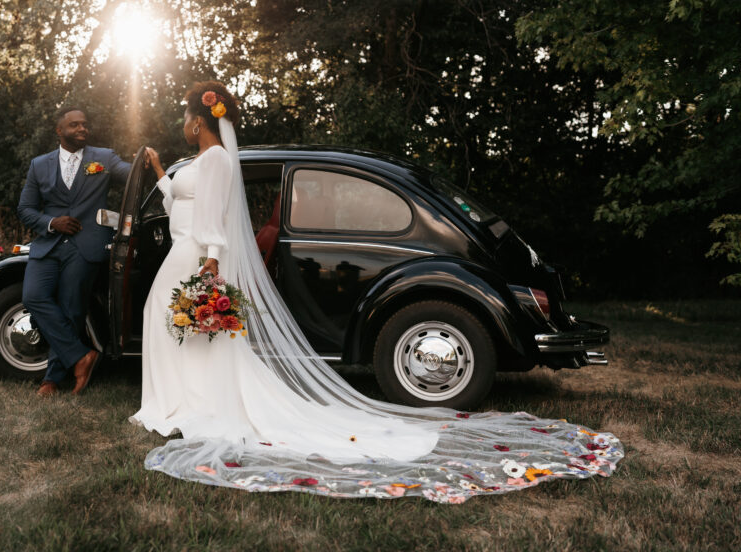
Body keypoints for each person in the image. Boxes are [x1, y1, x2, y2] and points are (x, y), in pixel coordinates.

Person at [128, 81, 624, 501]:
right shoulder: (203, 160)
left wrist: (212, 264)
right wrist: (158, 174)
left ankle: (190, 404)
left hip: (199, 256)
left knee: (191, 331)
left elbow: (213, 217)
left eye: (185, 118)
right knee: (179, 328)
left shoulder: (215, 161)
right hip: (185, 250)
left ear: (199, 121)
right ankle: (178, 400)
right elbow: (183, 207)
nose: (182, 125)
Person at [18, 106, 130, 397]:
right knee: (33, 296)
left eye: (85, 125)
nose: (82, 129)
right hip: (48, 244)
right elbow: (26, 209)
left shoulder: (103, 159)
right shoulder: (39, 165)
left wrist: (151, 164)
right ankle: (81, 356)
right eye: (75, 125)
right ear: (60, 131)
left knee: (71, 309)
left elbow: (133, 175)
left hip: (86, 246)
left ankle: (51, 380)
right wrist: (51, 222)